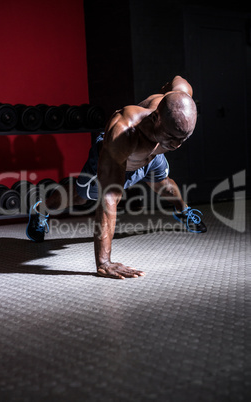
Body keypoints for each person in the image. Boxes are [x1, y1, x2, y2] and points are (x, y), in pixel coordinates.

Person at [26, 75, 207, 279]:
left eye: (183, 139)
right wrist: (104, 262)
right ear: (156, 117)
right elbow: (109, 198)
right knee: (81, 197)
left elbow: (176, 79)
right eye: (171, 138)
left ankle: (183, 211)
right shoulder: (124, 132)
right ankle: (41, 210)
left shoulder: (180, 94)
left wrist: (170, 135)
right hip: (119, 158)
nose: (176, 145)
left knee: (163, 184)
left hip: (151, 158)